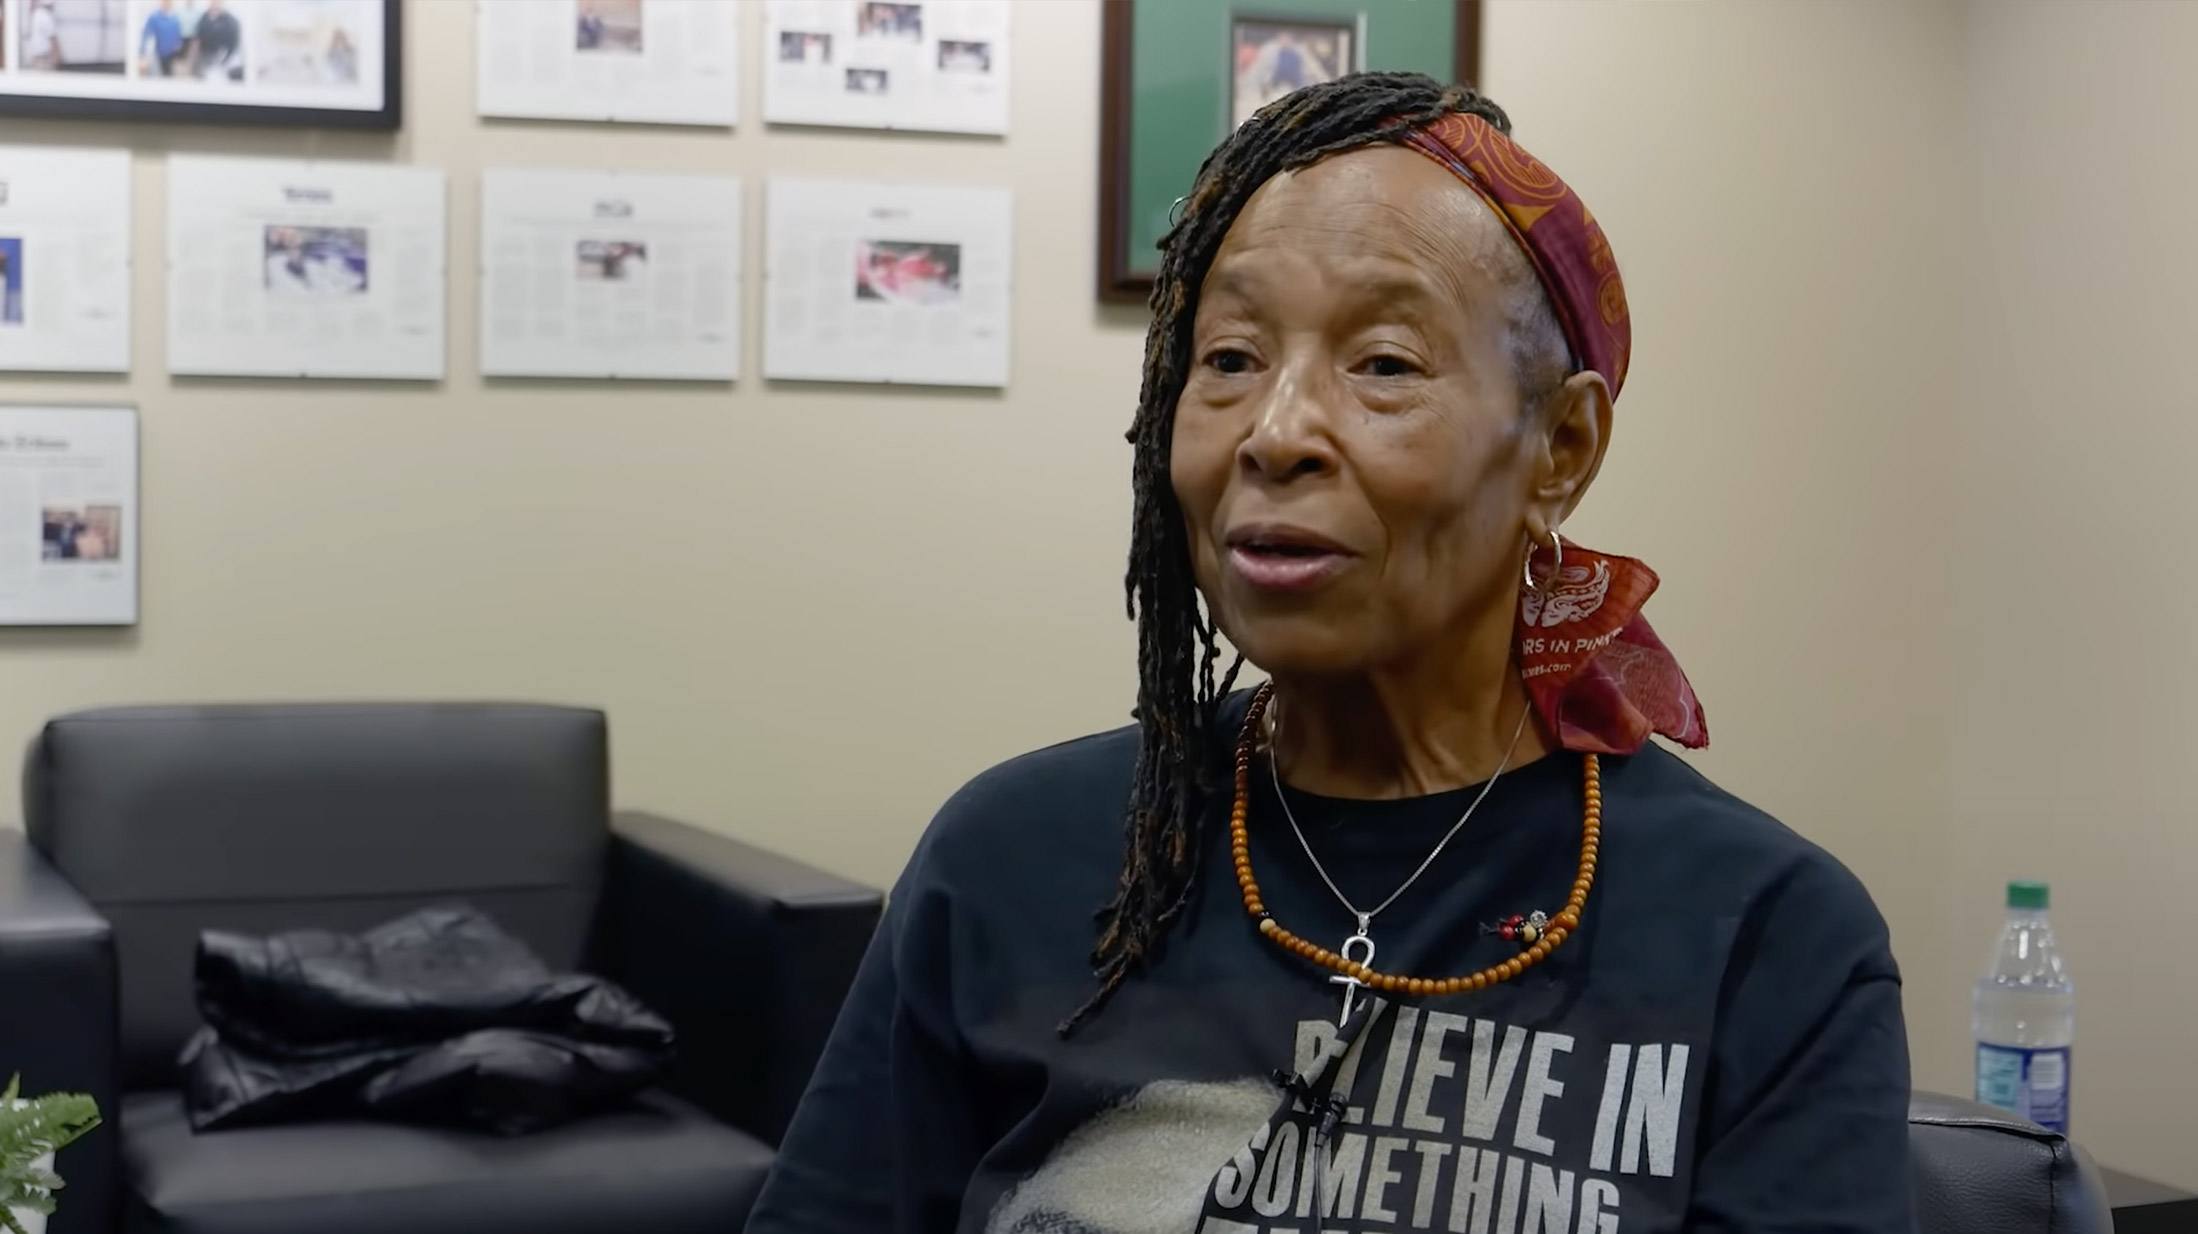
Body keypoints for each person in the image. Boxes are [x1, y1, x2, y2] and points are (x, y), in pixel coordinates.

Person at [746, 73, 1911, 1233]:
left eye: (1383, 364)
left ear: (1559, 446)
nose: (1275, 432)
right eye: (1229, 358)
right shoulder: (1009, 859)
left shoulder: (1763, 935)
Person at [193, 0, 241, 80]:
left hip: (223, 54)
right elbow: (198, 36)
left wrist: (227, 56)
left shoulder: (229, 20)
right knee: (206, 76)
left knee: (219, 76)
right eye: (212, 2)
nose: (214, 4)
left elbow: (234, 41)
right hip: (206, 54)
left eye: (217, 2)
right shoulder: (204, 17)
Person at [138, 0, 185, 77]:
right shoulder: (154, 17)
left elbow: (178, 34)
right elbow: (146, 34)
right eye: (165, 2)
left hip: (171, 54)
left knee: (169, 75)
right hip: (157, 54)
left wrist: (178, 43)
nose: (167, 4)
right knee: (157, 75)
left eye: (169, 2)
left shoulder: (175, 18)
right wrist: (142, 53)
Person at [25, 0, 61, 71]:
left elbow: (52, 38)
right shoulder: (41, 15)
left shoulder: (39, 15)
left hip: (40, 58)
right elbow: (53, 38)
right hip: (41, 58)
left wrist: (56, 58)